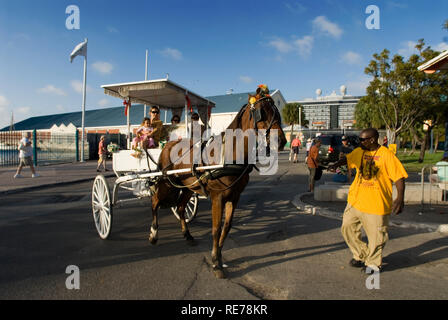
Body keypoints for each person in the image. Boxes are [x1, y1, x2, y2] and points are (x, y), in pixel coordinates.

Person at [328, 128, 408, 273]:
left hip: (376, 204)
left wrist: (400, 198)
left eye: (362, 139)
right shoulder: (359, 151)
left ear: (372, 140)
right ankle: (361, 254)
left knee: (377, 237)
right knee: (347, 228)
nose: (360, 142)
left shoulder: (386, 155)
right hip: (355, 200)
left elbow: (399, 177)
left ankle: (373, 263)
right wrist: (336, 165)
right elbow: (348, 158)